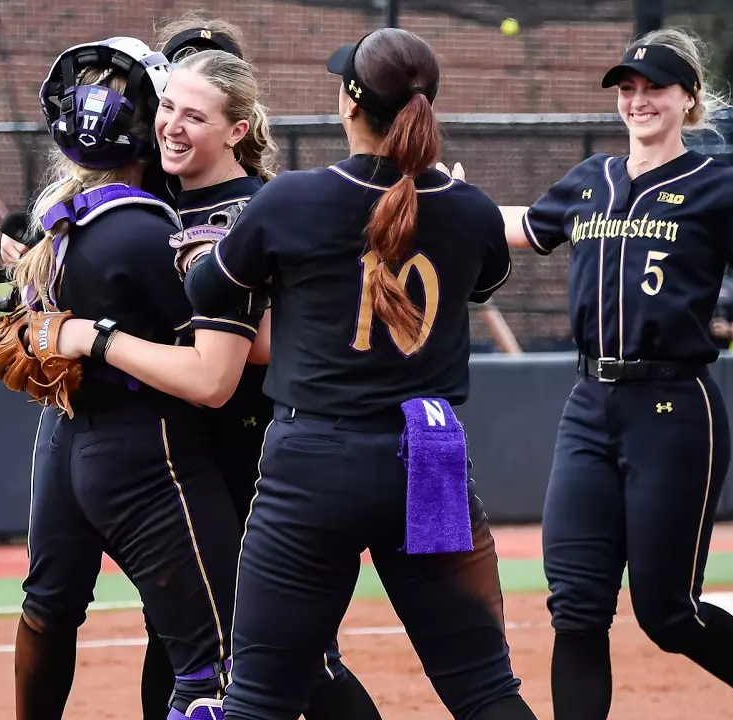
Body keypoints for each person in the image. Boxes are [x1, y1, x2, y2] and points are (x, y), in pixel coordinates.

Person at [175, 27, 538, 720]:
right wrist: (454, 201)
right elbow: (482, 280)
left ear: (350, 103)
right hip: (428, 454)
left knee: (258, 699)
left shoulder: (293, 199)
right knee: (485, 689)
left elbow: (207, 291)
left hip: (316, 457)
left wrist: (203, 251)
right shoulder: (469, 208)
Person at [48, 30, 385, 720]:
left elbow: (266, 345)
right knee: (180, 642)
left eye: (193, 115)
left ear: (237, 130)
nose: (171, 125)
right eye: (166, 107)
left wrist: (98, 338)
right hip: (182, 456)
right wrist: (30, 243)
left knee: (300, 654)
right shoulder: (153, 199)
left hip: (256, 453)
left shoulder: (260, 206)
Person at [497, 27, 733, 720]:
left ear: (689, 98)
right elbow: (521, 225)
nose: (638, 100)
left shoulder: (719, 188)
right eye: (628, 88)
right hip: (590, 403)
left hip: (673, 407)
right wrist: (441, 202)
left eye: (656, 88)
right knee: (576, 605)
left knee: (667, 612)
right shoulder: (592, 180)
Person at [7, 36, 249, 720]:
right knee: (218, 661)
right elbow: (215, 371)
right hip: (150, 451)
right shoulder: (149, 232)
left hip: (67, 439)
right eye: (168, 107)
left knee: (49, 609)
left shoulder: (59, 218)